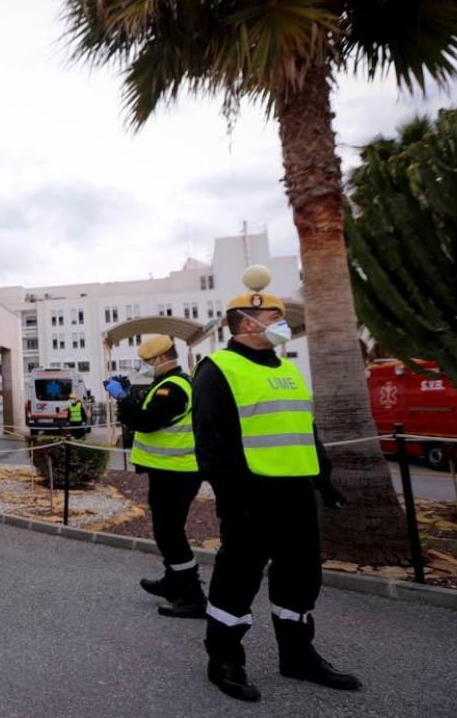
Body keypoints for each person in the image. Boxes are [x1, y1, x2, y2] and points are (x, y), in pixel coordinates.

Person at [193, 267, 359, 702]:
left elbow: (306, 430)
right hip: (252, 498)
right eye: (275, 318)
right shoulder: (217, 369)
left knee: (302, 579)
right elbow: (209, 444)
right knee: (237, 581)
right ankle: (225, 660)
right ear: (248, 323)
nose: (282, 325)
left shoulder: (286, 370)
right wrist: (231, 498)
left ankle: (298, 656)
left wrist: (323, 481)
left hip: (296, 496)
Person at [106, 334, 205, 618]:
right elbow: (148, 411)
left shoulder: (172, 388)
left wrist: (122, 398)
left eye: (146, 362)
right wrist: (130, 394)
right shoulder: (165, 384)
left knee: (170, 533)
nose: (143, 367)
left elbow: (144, 422)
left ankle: (192, 595)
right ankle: (173, 581)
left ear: (161, 359)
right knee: (168, 531)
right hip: (171, 472)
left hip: (177, 472)